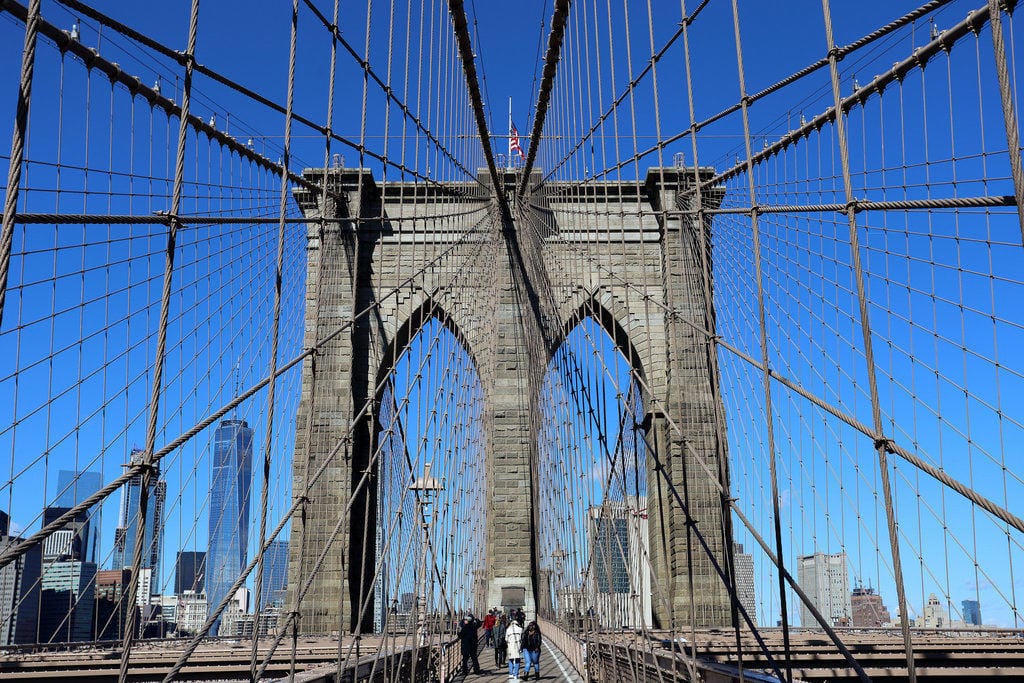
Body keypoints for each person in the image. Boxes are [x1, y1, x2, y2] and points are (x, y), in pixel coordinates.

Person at [505, 614, 525, 681]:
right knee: (517, 660)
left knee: (510, 659)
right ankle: (516, 674)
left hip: (510, 646)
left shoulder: (508, 629)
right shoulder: (520, 629)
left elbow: (506, 639)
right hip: (517, 646)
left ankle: (511, 673)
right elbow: (522, 639)